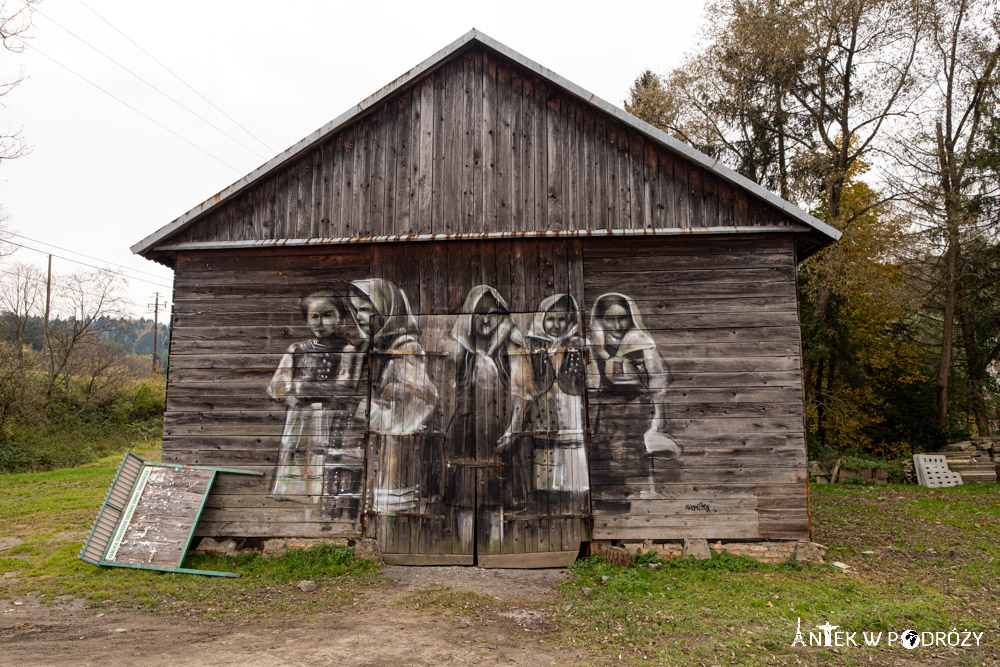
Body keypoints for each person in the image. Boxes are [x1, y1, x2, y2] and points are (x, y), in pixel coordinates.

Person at [349, 279, 438, 513]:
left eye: (366, 309)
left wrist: (370, 408)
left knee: (392, 510)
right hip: (381, 441)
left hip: (395, 447)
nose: (359, 316)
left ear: (388, 309)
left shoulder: (405, 347)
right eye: (356, 309)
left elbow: (421, 398)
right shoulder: (375, 345)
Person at [267, 291, 364, 503]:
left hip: (326, 414)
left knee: (323, 452)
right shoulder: (297, 350)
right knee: (297, 450)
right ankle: (293, 492)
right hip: (300, 414)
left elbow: (346, 385)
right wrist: (291, 391)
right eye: (315, 317)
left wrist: (307, 387)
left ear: (340, 317)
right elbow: (277, 386)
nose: (321, 323)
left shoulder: (347, 350)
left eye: (328, 315)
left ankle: (320, 495)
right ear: (307, 319)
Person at [588, 293, 680, 494]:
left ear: (631, 316)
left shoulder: (643, 344)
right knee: (607, 463)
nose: (617, 325)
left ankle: (642, 497)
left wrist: (658, 415)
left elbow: (659, 380)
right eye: (610, 319)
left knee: (638, 459)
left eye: (622, 318)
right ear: (600, 319)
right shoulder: (592, 346)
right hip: (605, 416)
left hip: (637, 412)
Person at [527, 293, 589, 494]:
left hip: (570, 406)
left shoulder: (577, 346)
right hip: (544, 407)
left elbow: (580, 381)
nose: (556, 324)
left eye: (561, 319)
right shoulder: (535, 347)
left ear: (570, 320)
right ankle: (547, 490)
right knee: (546, 449)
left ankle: (572, 489)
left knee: (570, 449)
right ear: (542, 319)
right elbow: (534, 381)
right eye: (551, 319)